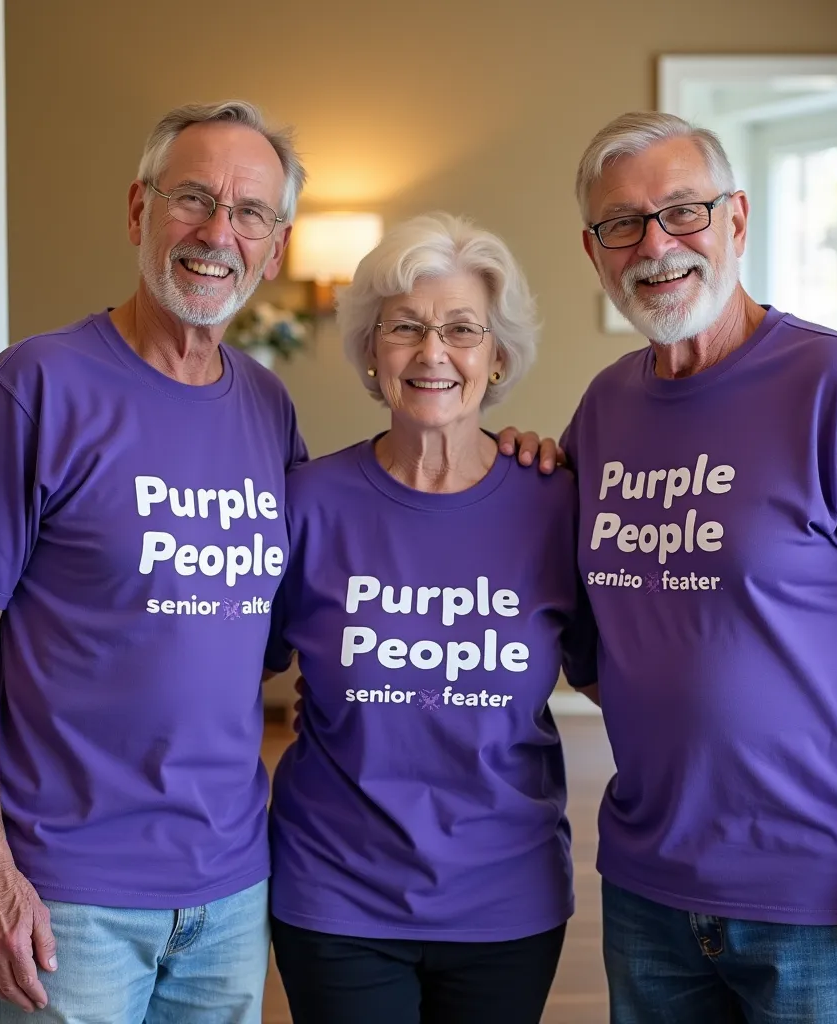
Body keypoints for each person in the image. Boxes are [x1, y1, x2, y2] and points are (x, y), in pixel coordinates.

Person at [501, 111, 837, 1023]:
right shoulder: (605, 409)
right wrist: (510, 468)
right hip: (648, 888)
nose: (656, 244)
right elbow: (600, 632)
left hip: (829, 899)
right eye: (622, 224)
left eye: (683, 211)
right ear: (593, 252)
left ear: (737, 221)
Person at [0, 100, 307, 1022]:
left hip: (229, 887)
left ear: (276, 243)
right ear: (139, 212)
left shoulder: (269, 407)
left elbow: (283, 628)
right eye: (193, 198)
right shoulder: (37, 386)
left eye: (250, 212)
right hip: (67, 893)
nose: (218, 231)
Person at [263, 211, 598, 1024]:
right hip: (336, 890)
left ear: (497, 354)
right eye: (405, 328)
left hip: (506, 894)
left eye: (461, 330)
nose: (433, 352)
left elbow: (621, 672)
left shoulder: (559, 503)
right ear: (372, 354)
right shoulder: (306, 503)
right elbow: (228, 670)